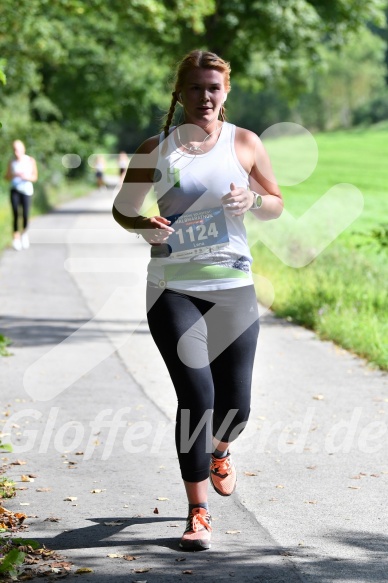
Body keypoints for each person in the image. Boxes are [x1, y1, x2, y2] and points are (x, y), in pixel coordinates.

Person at [112, 50, 283, 551]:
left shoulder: (245, 144)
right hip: (173, 288)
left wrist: (253, 200)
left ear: (225, 92)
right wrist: (144, 224)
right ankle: (198, 512)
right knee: (198, 398)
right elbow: (123, 210)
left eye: (213, 87)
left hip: (233, 287)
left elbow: (274, 204)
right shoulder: (156, 148)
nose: (204, 97)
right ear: (180, 94)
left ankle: (220, 450)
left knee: (236, 407)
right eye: (195, 88)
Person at [5, 140, 38, 251]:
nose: (16, 152)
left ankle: (24, 233)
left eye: (18, 149)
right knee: (15, 214)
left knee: (25, 214)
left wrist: (26, 177)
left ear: (23, 149)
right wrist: (14, 174)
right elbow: (6, 177)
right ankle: (16, 238)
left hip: (26, 190)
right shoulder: (12, 162)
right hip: (15, 190)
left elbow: (35, 177)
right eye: (14, 149)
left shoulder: (30, 160)